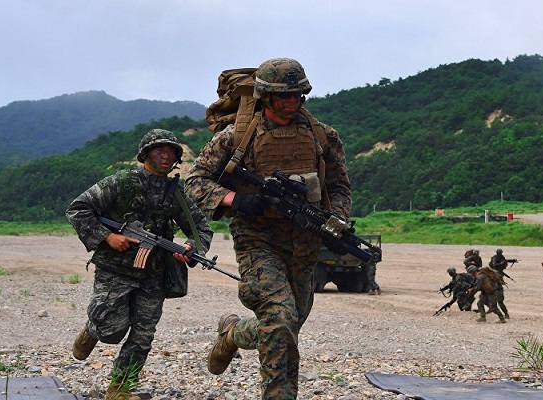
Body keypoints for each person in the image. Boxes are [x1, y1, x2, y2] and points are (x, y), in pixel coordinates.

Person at [185, 57, 352, 400]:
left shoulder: (323, 136)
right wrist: (237, 200)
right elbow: (194, 183)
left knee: (287, 326)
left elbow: (339, 186)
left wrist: (337, 221)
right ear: (264, 96)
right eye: (283, 96)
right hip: (257, 239)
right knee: (279, 317)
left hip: (305, 242)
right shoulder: (237, 137)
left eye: (297, 94)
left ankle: (232, 333)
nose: (291, 101)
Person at [66, 129, 213, 400]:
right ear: (145, 154)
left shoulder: (175, 193)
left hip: (154, 274)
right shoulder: (120, 182)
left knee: (143, 335)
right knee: (111, 331)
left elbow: (201, 227)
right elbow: (78, 208)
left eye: (172, 151)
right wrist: (107, 236)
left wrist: (192, 247)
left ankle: (120, 389)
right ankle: (92, 330)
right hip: (116, 270)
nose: (166, 155)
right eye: (160, 150)